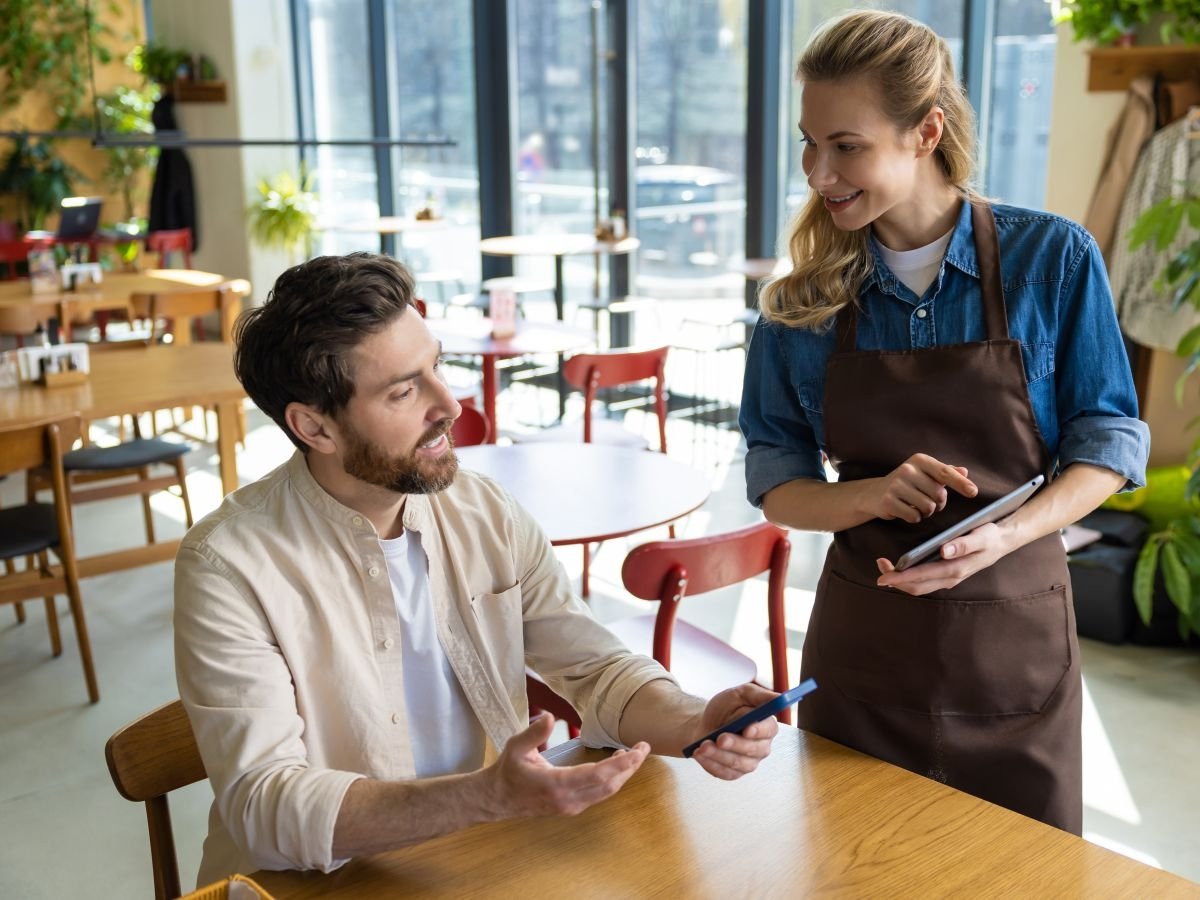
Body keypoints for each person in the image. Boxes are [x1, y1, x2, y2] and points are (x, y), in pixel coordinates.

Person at [175, 253, 779, 885]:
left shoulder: (483, 509)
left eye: (436, 367)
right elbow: (266, 809)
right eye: (404, 391)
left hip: (476, 862)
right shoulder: (227, 565)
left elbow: (595, 668)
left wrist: (694, 721)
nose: (450, 405)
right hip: (313, 885)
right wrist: (487, 797)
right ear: (314, 427)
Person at [739, 11, 1149, 835]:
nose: (819, 172)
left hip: (1015, 656)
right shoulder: (800, 307)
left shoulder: (1053, 261)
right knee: (856, 872)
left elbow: (1106, 443)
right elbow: (777, 482)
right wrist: (869, 496)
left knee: (1020, 876)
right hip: (864, 658)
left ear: (925, 132)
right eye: (809, 144)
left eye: (846, 145)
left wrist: (1005, 534)